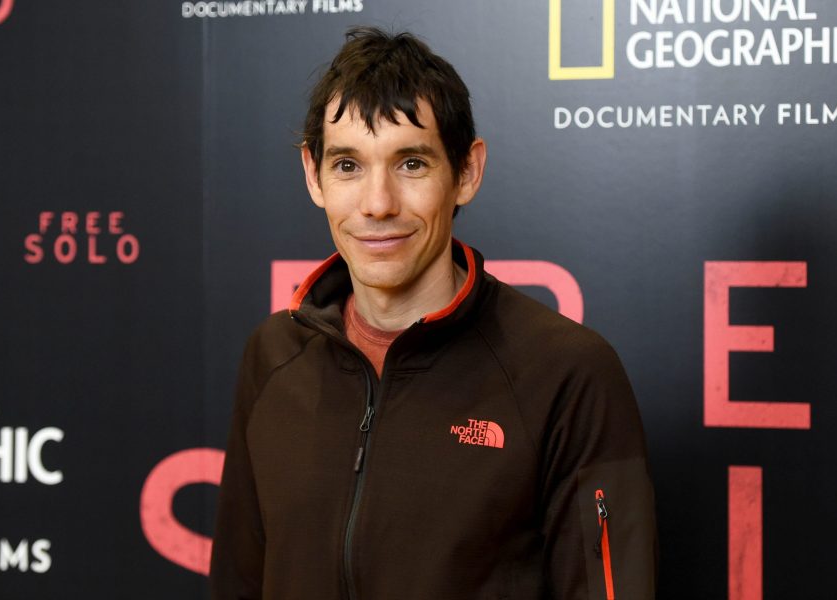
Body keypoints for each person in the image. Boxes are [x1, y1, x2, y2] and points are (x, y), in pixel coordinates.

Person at [211, 26, 656, 600]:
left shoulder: (567, 373)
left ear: (466, 173)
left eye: (411, 164)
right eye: (348, 166)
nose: (377, 204)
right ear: (312, 175)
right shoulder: (271, 357)